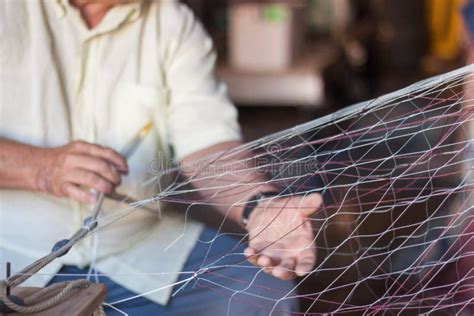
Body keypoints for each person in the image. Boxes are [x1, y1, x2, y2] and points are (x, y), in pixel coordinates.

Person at [0, 0, 322, 314]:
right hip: (12, 252)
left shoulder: (172, 21)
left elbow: (206, 141)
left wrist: (259, 205)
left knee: (260, 294)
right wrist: (39, 167)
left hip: (140, 245)